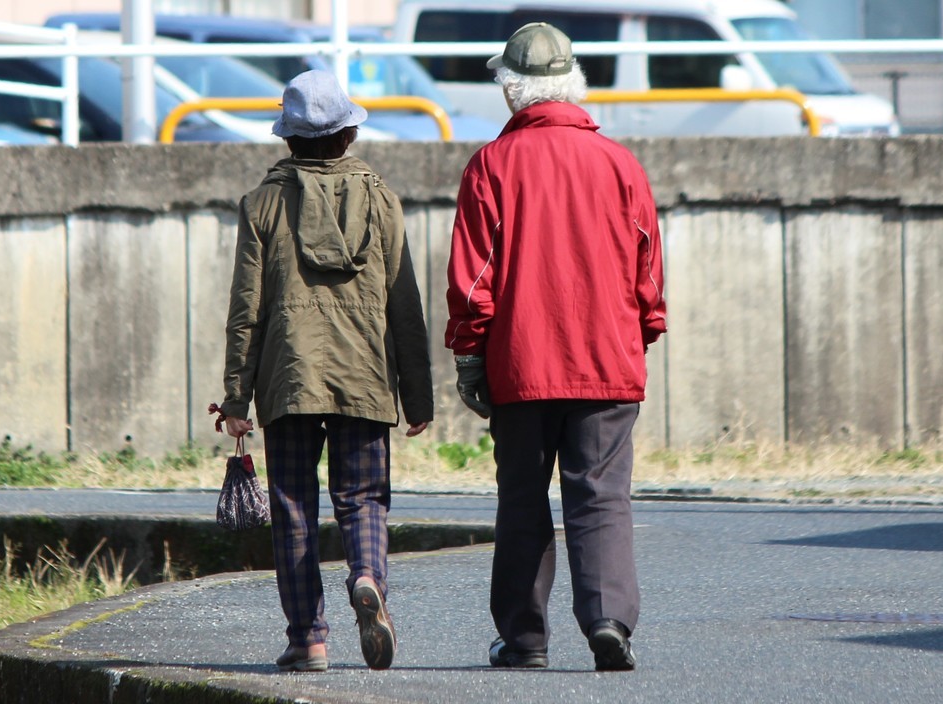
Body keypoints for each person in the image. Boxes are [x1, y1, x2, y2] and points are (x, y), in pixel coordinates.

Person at [445, 23, 667, 672]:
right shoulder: (621, 164)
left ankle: (524, 638)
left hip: (521, 364)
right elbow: (646, 272)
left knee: (522, 497)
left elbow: (473, 280)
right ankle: (607, 620)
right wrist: (641, 332)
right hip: (607, 361)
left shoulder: (491, 165)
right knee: (601, 496)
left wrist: (469, 356)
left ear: (513, 91)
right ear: (573, 86)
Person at [217, 70, 434, 673]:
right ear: (346, 136)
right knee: (363, 499)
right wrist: (418, 396)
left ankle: (308, 638)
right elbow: (404, 302)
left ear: (288, 140)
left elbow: (246, 309)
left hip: (288, 380)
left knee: (292, 505)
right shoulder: (381, 198)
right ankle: (367, 577)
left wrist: (237, 396)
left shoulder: (262, 203)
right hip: (364, 376)